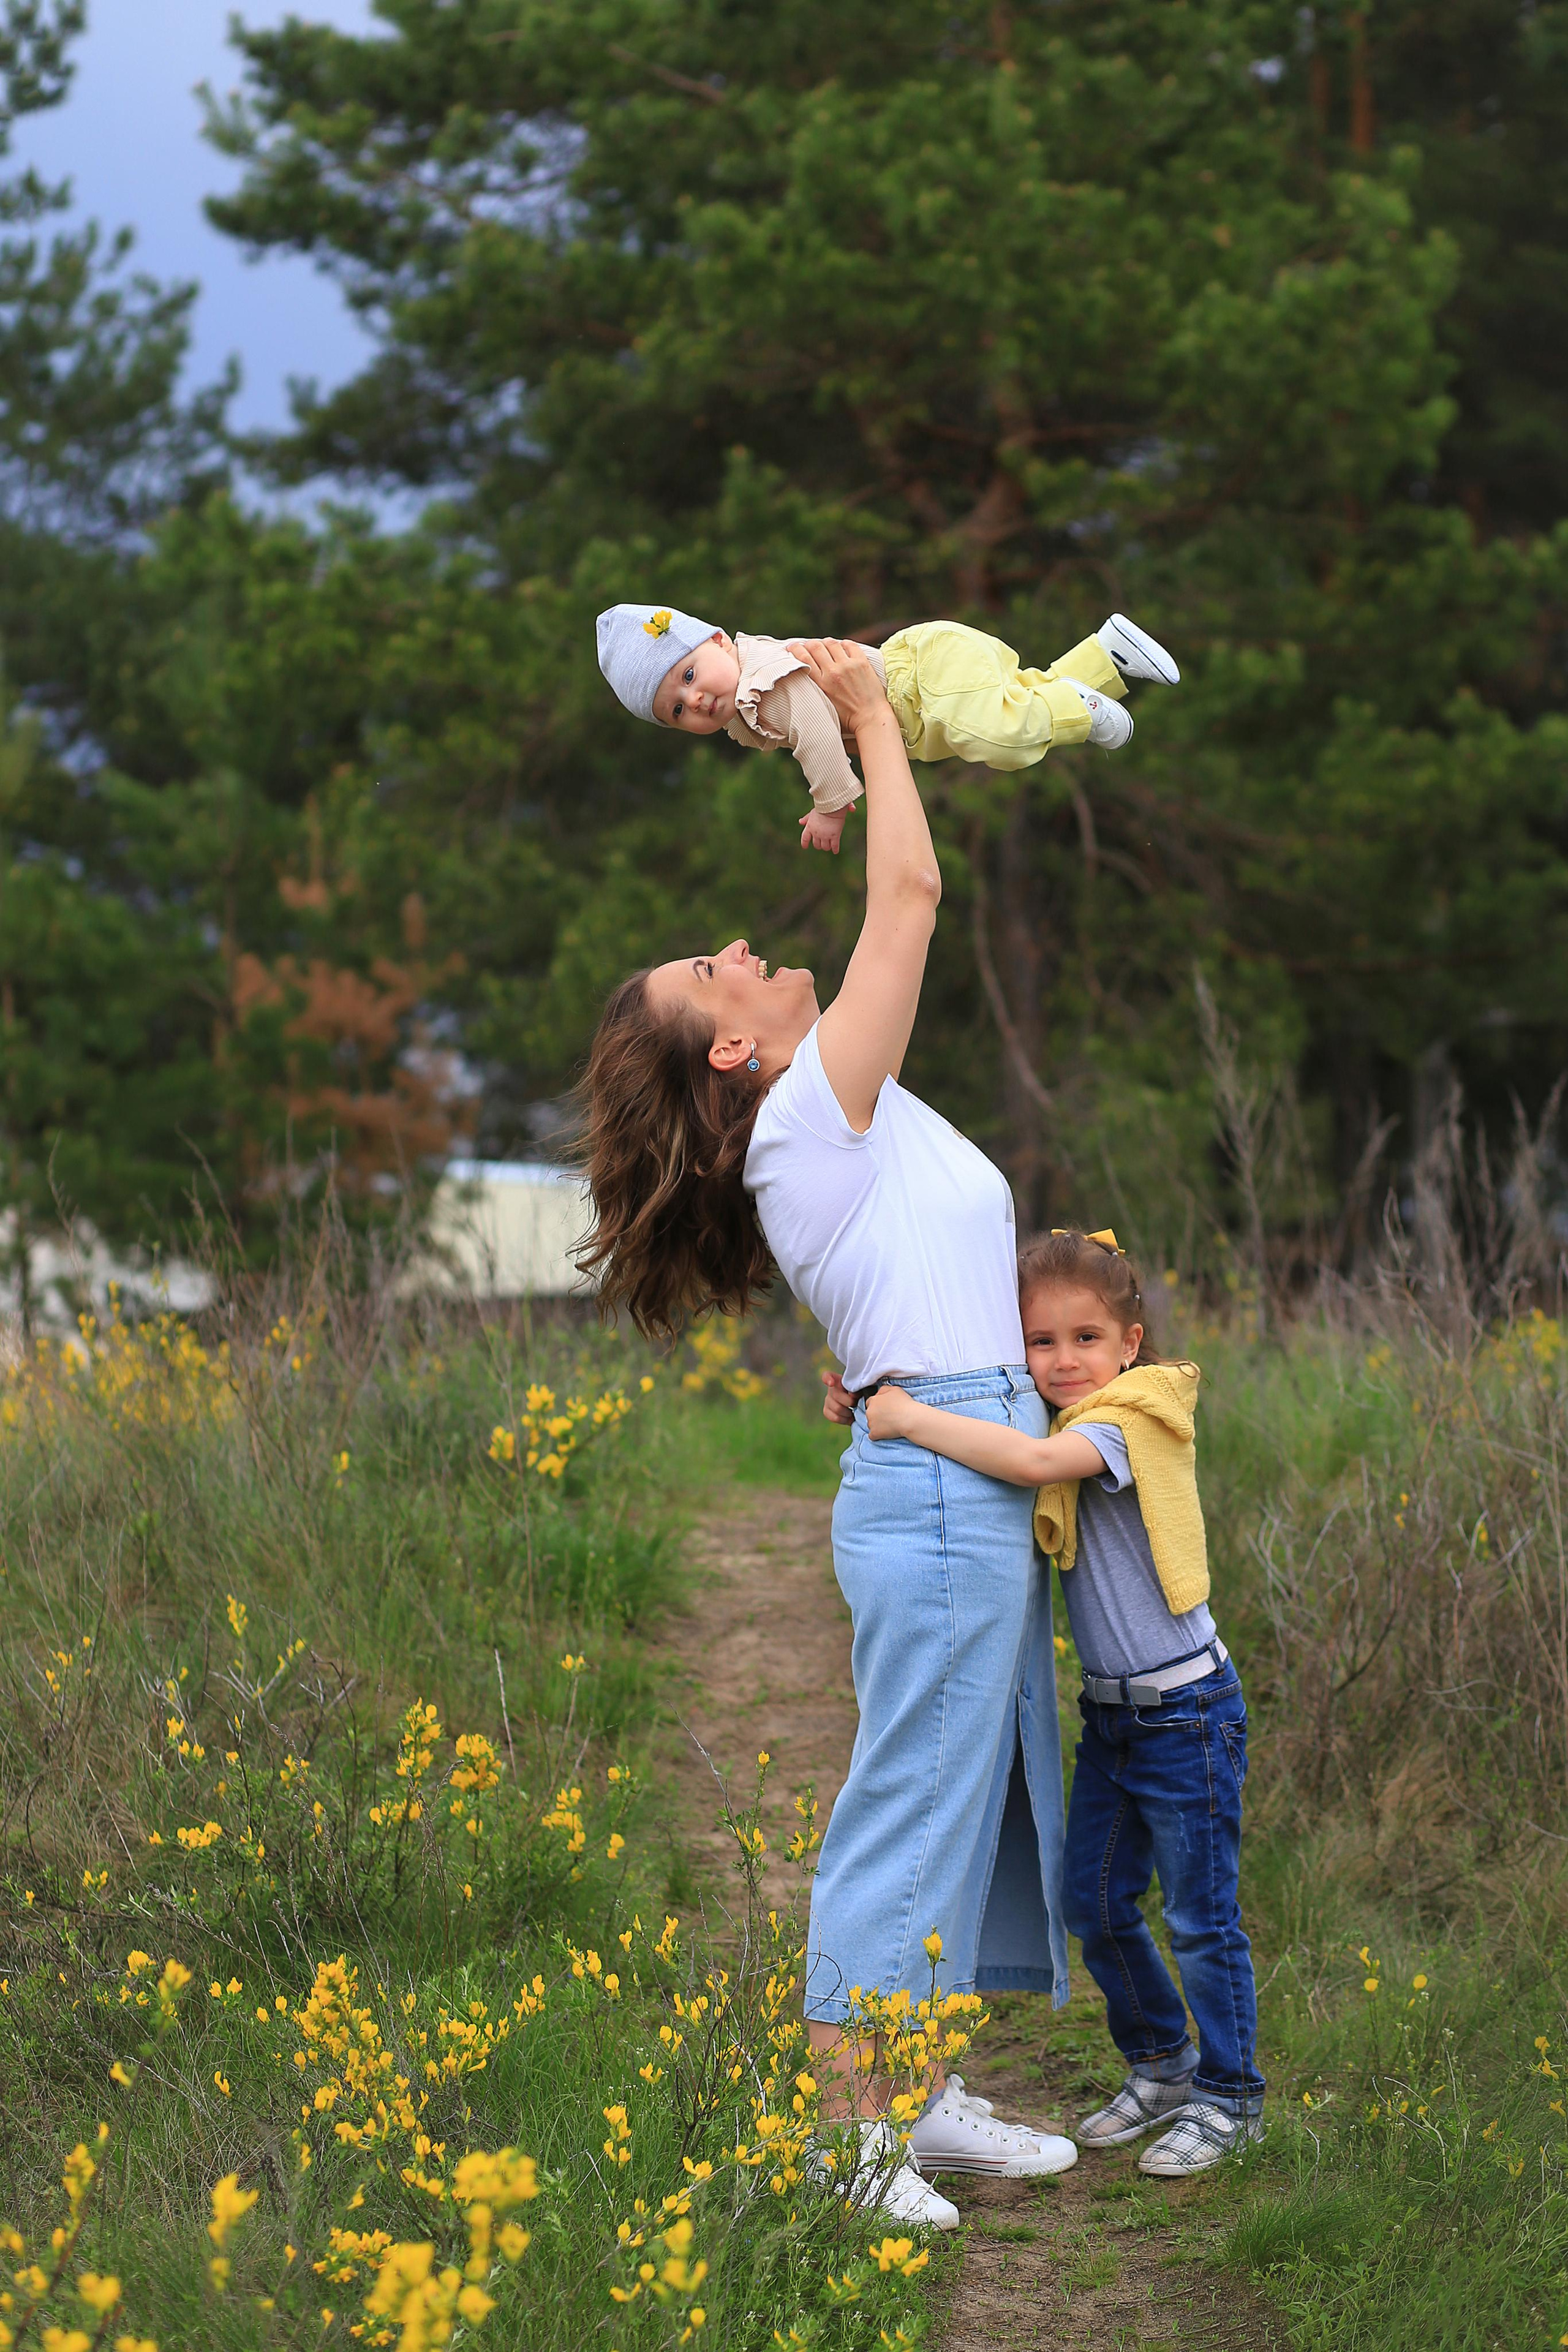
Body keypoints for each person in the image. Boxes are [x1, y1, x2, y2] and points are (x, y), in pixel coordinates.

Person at [578, 638, 1079, 2231]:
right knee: (907, 1801)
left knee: (964, 1794)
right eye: (714, 971)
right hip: (939, 1496)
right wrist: (863, 714)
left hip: (952, 1461)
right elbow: (910, 902)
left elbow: (909, 1283)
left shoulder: (832, 1118)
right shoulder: (807, 1110)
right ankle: (841, 2134)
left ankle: (919, 2096)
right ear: (734, 1049)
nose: (738, 948)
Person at [834, 1227, 1264, 2174]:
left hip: (1189, 1712)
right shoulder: (1058, 1412)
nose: (1063, 1361)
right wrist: (865, 1400)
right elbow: (979, 1419)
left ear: (1130, 1346)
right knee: (1096, 1904)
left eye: (1086, 1339)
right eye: (1041, 1343)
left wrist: (904, 1419)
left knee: (1202, 1915)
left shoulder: (1131, 1420)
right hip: (1114, 1716)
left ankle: (1232, 2098)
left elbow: (1024, 1467)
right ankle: (1162, 2065)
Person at [594, 602, 1180, 851]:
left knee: (999, 738)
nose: (696, 699)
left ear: (720, 640)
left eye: (691, 673)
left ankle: (1085, 711)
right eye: (676, 707)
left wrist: (830, 805)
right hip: (921, 691)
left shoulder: (762, 685)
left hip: (919, 679)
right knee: (1021, 697)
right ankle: (1109, 657)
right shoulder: (745, 686)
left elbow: (818, 731)